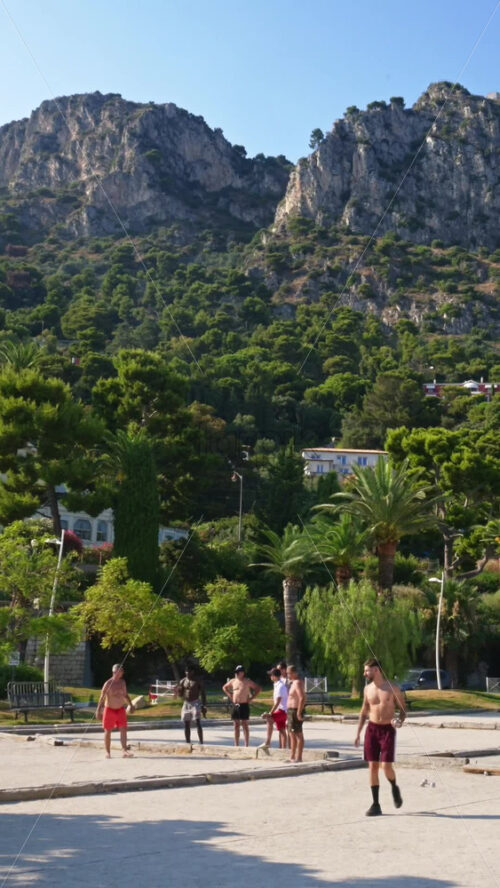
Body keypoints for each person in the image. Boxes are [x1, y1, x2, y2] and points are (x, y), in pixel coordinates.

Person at [354, 657, 406, 816]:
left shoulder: (392, 688)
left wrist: (400, 720)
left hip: (388, 730)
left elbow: (403, 710)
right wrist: (358, 733)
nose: (364, 673)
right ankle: (376, 804)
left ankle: (394, 786)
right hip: (372, 729)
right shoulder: (367, 689)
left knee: (386, 766)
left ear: (376, 670)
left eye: (366, 670)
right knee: (372, 766)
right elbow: (364, 711)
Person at [96, 663, 135, 758]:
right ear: (115, 672)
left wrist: (131, 704)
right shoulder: (108, 683)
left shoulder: (122, 682)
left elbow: (125, 695)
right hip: (109, 710)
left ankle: (124, 751)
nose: (122, 672)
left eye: (122, 671)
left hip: (120, 709)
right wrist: (98, 710)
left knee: (123, 729)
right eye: (121, 670)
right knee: (108, 731)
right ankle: (108, 752)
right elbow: (102, 697)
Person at [222, 665, 261, 747]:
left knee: (245, 724)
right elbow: (224, 687)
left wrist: (251, 698)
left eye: (239, 672)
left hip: (244, 704)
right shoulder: (233, 681)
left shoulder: (247, 681)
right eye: (236, 672)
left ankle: (246, 744)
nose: (237, 674)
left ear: (242, 673)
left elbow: (258, 688)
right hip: (236, 705)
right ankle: (236, 744)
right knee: (236, 725)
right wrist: (230, 695)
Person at [258, 667, 288, 751]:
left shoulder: (280, 686)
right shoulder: (278, 684)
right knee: (282, 729)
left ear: (274, 676)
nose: (270, 677)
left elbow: (278, 701)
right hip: (283, 710)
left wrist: (270, 713)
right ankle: (283, 748)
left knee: (269, 719)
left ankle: (267, 742)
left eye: (271, 675)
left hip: (282, 710)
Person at [175, 666, 207, 745]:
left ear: (193, 672)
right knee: (186, 723)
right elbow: (180, 694)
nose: (187, 673)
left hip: (195, 702)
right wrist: (178, 691)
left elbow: (203, 693)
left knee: (197, 721)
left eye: (189, 672)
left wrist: (204, 705)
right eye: (186, 672)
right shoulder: (183, 681)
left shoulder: (198, 681)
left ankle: (201, 741)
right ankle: (188, 742)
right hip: (186, 703)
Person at [286, 665, 306, 762]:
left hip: (295, 710)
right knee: (291, 734)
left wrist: (298, 713)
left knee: (298, 734)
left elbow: (302, 697)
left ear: (294, 673)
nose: (287, 675)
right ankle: (292, 756)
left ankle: (299, 757)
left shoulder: (297, 682)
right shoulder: (293, 682)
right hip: (291, 711)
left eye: (289, 673)